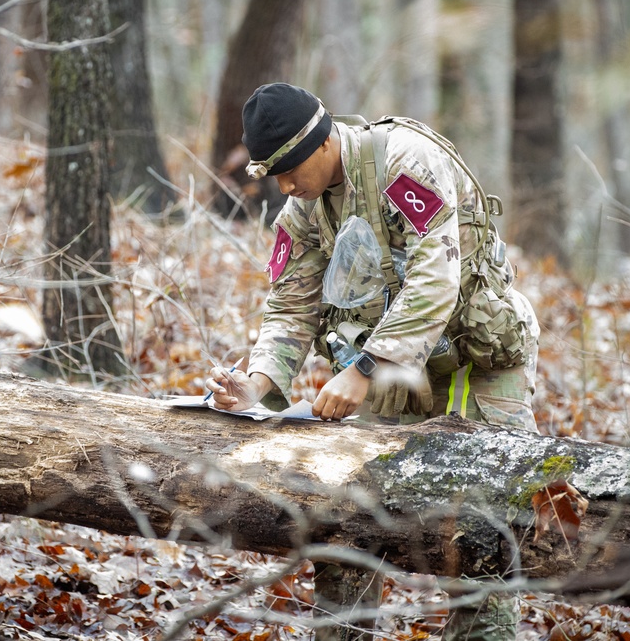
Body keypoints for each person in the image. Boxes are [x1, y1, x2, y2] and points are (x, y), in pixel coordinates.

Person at [205, 83, 540, 640]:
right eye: (275, 174)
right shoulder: (304, 209)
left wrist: (362, 370)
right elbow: (290, 305)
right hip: (390, 366)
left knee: (484, 537)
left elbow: (438, 279)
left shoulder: (406, 163)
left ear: (323, 142)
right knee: (346, 524)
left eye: (289, 169)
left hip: (475, 362)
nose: (284, 186)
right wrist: (256, 385)